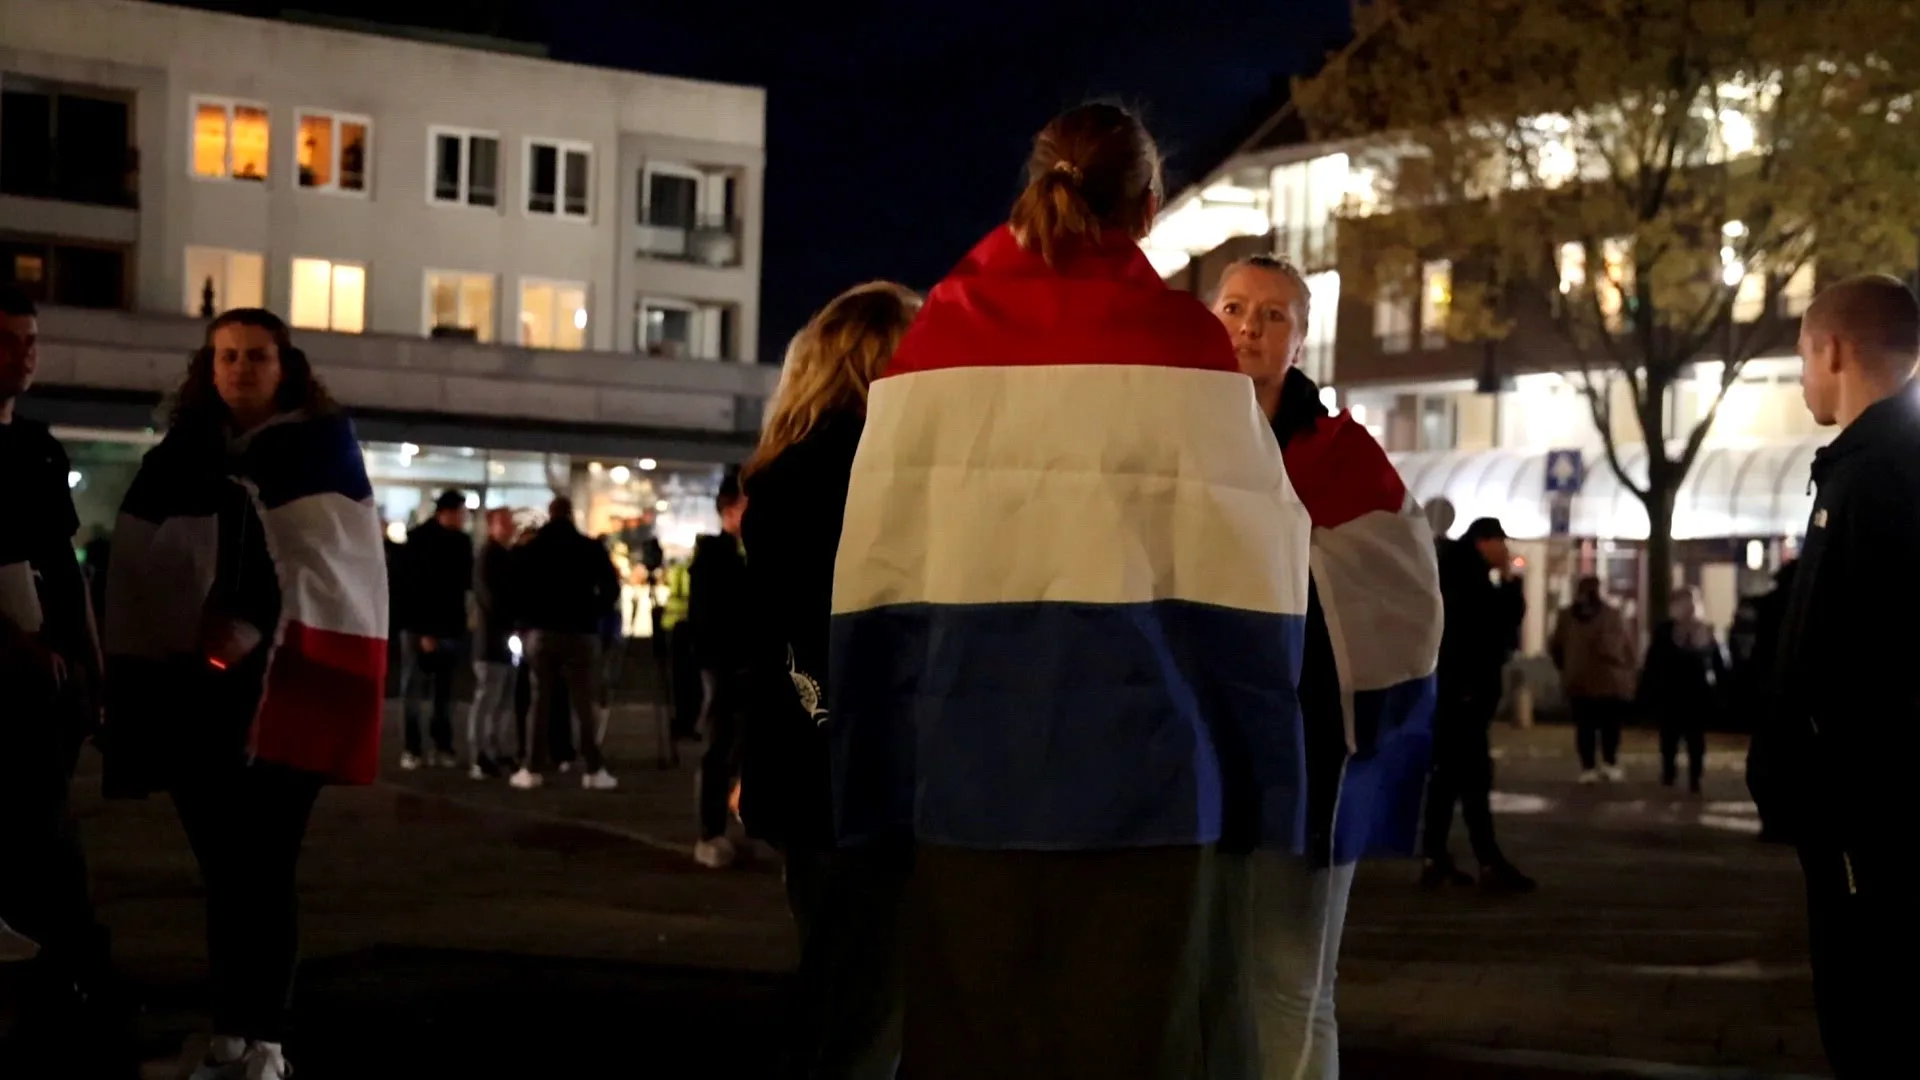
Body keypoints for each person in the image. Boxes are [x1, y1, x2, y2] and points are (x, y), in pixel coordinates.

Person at [829, 103, 1312, 1080]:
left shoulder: (931, 349)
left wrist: (868, 784)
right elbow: (1251, 601)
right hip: (1154, 791)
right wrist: (1270, 789)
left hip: (965, 784)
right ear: (1149, 204)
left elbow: (875, 584)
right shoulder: (1188, 351)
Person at [102, 308, 388, 1080]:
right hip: (197, 697)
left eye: (255, 355)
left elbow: (331, 563)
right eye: (225, 355)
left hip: (289, 689)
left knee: (262, 866)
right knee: (224, 870)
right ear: (208, 365)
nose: (239, 369)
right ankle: (231, 1033)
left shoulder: (321, 449)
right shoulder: (182, 453)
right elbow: (144, 557)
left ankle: (264, 1039)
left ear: (284, 364)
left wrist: (257, 623)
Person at [1205, 257, 1442, 1078]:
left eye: (1273, 315)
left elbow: (1402, 594)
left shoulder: (1344, 454)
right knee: (1209, 985)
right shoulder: (1180, 442)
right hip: (1200, 755)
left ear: (1301, 341)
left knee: (1292, 983)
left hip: (1308, 757)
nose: (1248, 327)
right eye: (1233, 307)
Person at [740, 280, 922, 1080]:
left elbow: (778, 636)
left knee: (840, 978)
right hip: (875, 770)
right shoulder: (885, 477)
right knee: (870, 1003)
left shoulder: (780, 479)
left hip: (802, 761)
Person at [1750, 274, 1920, 1078]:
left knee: (1867, 1022)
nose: (1804, 378)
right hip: (1858, 812)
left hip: (1866, 821)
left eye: (1803, 357)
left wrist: (1826, 779)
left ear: (1835, 349)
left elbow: (1862, 658)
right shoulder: (1873, 464)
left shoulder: (1877, 474)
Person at [0, 286, 136, 1074]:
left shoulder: (39, 447)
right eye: (8, 339)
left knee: (49, 827)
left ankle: (63, 987)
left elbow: (63, 564)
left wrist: (93, 664)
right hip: (7, 664)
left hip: (45, 670)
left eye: (31, 338)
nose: (25, 352)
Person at [1422, 517, 1535, 894]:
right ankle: (1486, 861)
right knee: (1471, 777)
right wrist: (1511, 580)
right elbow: (1499, 624)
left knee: (1450, 778)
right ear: (1484, 542)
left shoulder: (1456, 572)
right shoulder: (1470, 580)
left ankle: (1438, 857)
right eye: (1500, 543)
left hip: (1455, 691)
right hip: (1465, 693)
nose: (1505, 551)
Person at [510, 496, 620, 792]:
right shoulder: (589, 548)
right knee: (584, 704)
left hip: (541, 633)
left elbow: (515, 588)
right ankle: (593, 769)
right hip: (581, 633)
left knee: (539, 701)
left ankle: (532, 768)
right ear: (572, 516)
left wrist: (525, 622)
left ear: (549, 515)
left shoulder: (532, 549)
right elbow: (611, 588)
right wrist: (593, 612)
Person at [687, 473, 752, 868]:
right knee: (718, 750)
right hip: (726, 668)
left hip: (741, 666)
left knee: (738, 748)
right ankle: (710, 833)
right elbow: (705, 620)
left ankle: (728, 822)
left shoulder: (738, 555)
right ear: (729, 511)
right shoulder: (714, 558)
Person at [397, 489, 473, 770]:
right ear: (448, 513)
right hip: (420, 628)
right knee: (415, 689)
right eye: (462, 512)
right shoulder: (419, 542)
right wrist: (425, 631)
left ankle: (441, 744)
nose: (464, 518)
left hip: (449, 627)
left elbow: (463, 586)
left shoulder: (462, 543)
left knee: (444, 692)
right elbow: (412, 590)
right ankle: (413, 747)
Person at [1548, 576, 1637, 784]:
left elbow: (1556, 648)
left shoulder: (1567, 617)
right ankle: (1607, 763)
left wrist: (1567, 668)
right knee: (1606, 725)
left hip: (1582, 679)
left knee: (1587, 726)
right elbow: (1627, 648)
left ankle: (1590, 766)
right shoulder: (1612, 616)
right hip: (1606, 680)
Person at [1639, 585, 1726, 793]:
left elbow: (1718, 664)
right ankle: (1669, 773)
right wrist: (1648, 691)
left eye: (1691, 603)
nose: (1688, 608)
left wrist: (1721, 691)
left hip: (1697, 694)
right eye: (1682, 603)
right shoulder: (1664, 632)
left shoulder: (1705, 631)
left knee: (1695, 739)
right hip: (1671, 693)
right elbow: (1652, 663)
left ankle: (1695, 777)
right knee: (1669, 737)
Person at [468, 507, 521, 779]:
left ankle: (495, 749)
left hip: (503, 639)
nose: (511, 527)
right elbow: (491, 599)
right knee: (489, 697)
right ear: (492, 526)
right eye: (505, 522)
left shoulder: (504, 556)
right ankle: (481, 754)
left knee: (501, 699)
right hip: (492, 641)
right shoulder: (489, 557)